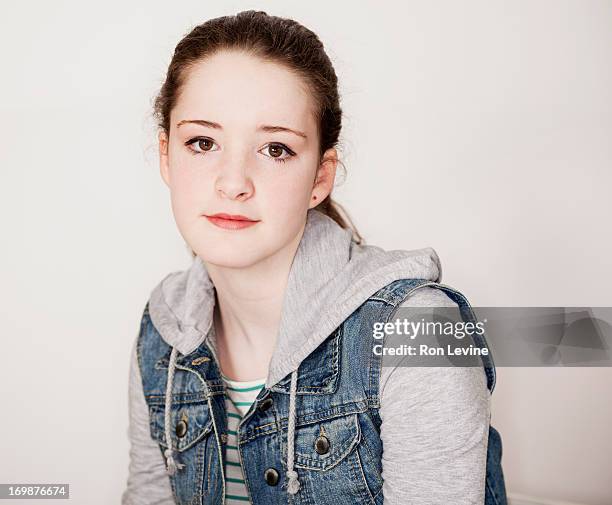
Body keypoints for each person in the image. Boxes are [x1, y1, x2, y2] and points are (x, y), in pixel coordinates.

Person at [121, 10, 507, 505]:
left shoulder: (425, 326)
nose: (233, 182)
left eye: (276, 149)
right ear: (166, 155)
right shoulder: (163, 330)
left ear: (320, 178)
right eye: (202, 142)